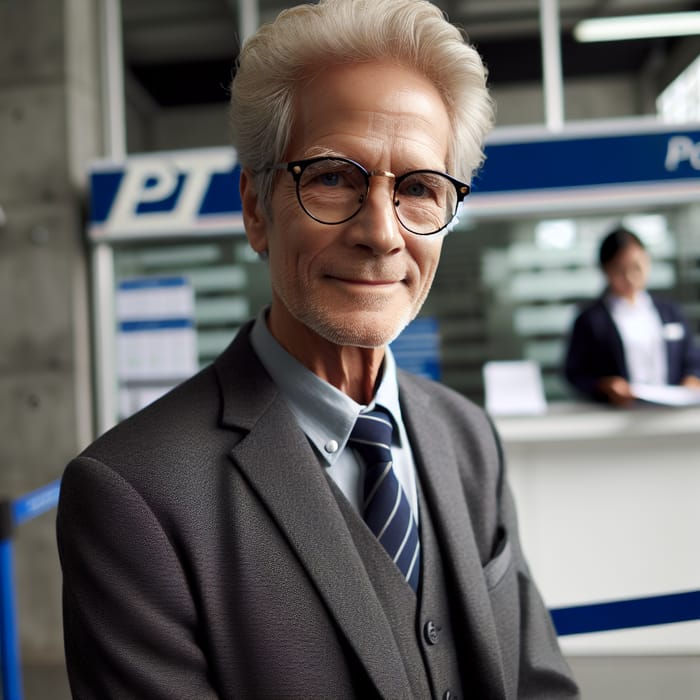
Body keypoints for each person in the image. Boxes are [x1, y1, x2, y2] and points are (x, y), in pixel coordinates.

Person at [57, 1, 579, 697]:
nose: (382, 234)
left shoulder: (467, 436)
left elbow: (536, 680)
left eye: (420, 188)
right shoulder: (137, 495)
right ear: (255, 208)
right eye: (333, 177)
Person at [564, 225, 700, 406]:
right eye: (620, 270)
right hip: (619, 416)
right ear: (605, 270)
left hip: (671, 412)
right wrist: (605, 385)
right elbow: (575, 373)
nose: (629, 277)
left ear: (647, 261)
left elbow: (692, 359)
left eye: (636, 267)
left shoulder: (670, 311)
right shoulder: (590, 319)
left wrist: (692, 378)